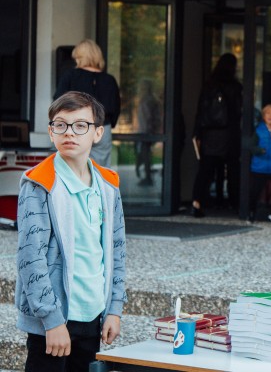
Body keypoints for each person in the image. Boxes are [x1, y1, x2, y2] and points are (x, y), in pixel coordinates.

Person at [16, 91, 127, 372]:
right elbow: (31, 258)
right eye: (60, 125)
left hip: (92, 316)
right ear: (51, 132)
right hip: (53, 321)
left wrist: (114, 309)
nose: (69, 132)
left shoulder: (108, 185)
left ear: (98, 133)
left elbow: (117, 251)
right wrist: (51, 321)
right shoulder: (40, 183)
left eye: (80, 125)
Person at [190, 53, 243, 218]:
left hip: (210, 134)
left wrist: (197, 133)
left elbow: (201, 111)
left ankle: (197, 202)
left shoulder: (209, 85)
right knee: (233, 170)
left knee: (206, 170)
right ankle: (235, 204)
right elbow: (238, 112)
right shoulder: (235, 86)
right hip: (229, 134)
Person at [54, 39, 121, 168]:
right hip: (102, 128)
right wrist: (107, 124)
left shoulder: (70, 76)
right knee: (100, 171)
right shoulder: (109, 80)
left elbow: (58, 104)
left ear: (79, 57)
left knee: (73, 168)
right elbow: (116, 108)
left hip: (76, 127)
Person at [249, 103, 271, 223]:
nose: (270, 116)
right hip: (259, 166)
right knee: (255, 191)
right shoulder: (258, 130)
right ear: (264, 116)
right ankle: (251, 213)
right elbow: (251, 146)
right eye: (268, 113)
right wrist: (259, 150)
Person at [135, 79, 162, 186]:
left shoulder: (149, 100)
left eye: (142, 87)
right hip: (144, 131)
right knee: (145, 154)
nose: (140, 89)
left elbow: (150, 118)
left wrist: (150, 131)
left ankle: (148, 177)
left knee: (145, 154)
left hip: (147, 132)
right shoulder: (145, 100)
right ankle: (147, 175)